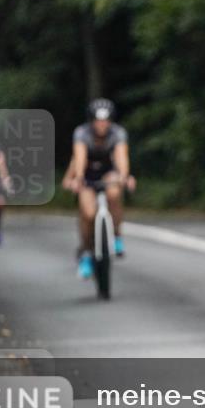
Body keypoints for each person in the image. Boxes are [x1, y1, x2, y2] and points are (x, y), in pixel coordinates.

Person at [68, 98, 135, 279]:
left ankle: (116, 234)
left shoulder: (118, 133)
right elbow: (79, 157)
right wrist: (78, 178)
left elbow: (121, 156)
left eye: (105, 120)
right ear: (91, 121)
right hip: (88, 175)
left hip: (108, 173)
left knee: (114, 193)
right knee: (88, 213)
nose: (102, 125)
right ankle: (87, 253)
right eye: (98, 120)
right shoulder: (82, 133)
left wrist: (124, 176)